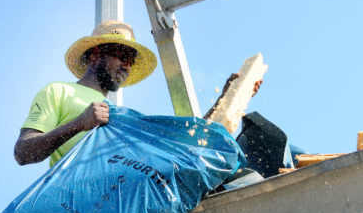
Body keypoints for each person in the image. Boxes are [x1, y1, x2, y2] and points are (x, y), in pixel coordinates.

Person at [14, 20, 261, 167]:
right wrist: (79, 124)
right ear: (95, 54)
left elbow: (183, 145)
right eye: (122, 56)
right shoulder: (59, 91)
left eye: (131, 61)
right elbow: (23, 153)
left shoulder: (123, 118)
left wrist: (228, 98)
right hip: (70, 211)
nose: (127, 67)